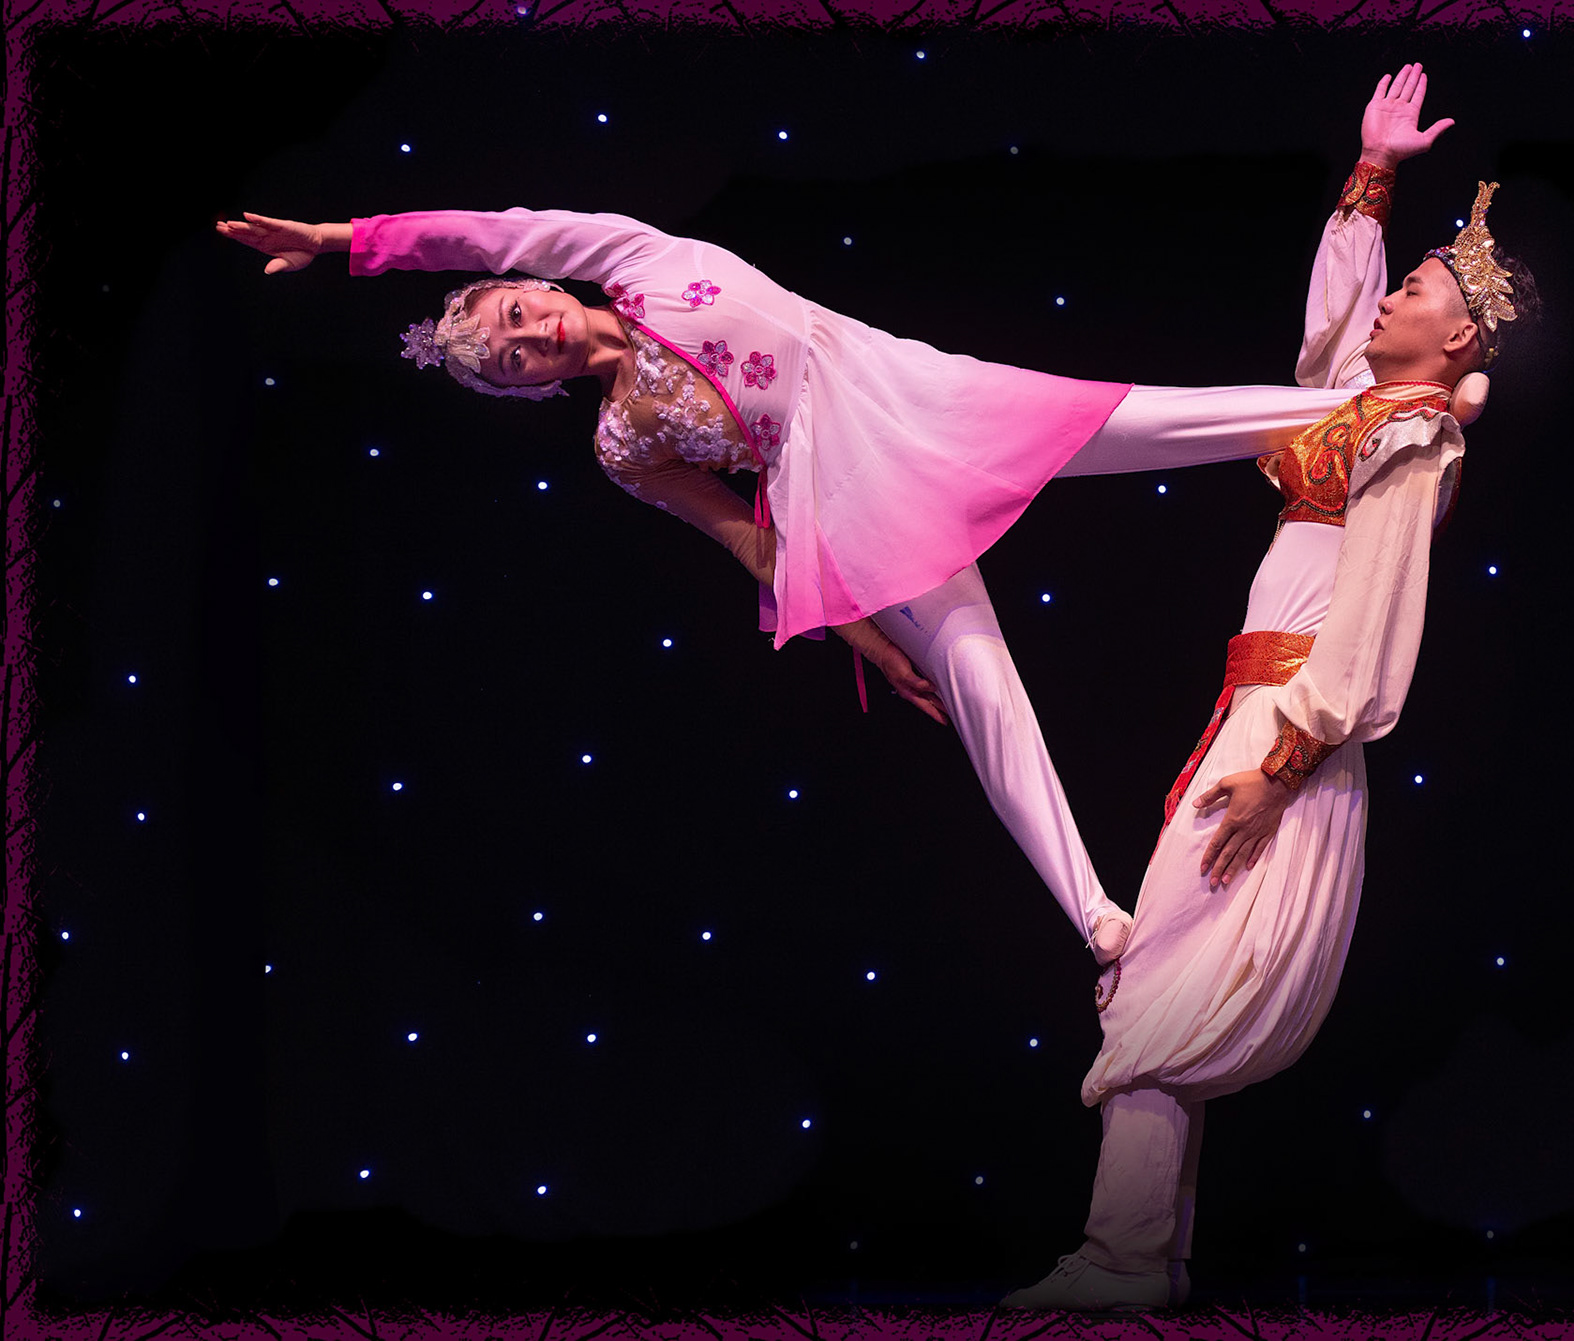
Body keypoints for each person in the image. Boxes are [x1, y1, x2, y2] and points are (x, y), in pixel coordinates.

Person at [214, 76, 1485, 972]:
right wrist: (867, 635)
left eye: (513, 319)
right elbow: (748, 542)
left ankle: (1374, 407)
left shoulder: (633, 257)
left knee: (1131, 417)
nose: (530, 340)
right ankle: (1097, 916)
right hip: (839, 489)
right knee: (980, 682)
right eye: (511, 364)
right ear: (524, 392)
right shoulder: (619, 447)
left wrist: (341, 238)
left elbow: (491, 225)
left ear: (532, 288)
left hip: (891, 386)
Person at [1000, 67, 1537, 1311]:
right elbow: (1331, 334)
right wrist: (1375, 172)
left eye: (1416, 291)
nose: (1391, 296)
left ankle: (1122, 1262)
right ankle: (1145, 1261)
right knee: (1161, 978)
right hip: (1257, 718)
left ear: (1459, 339)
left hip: (1292, 732)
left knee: (1157, 983)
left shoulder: (1413, 438)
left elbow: (1373, 623)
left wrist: (1282, 770)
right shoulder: (1363, 411)